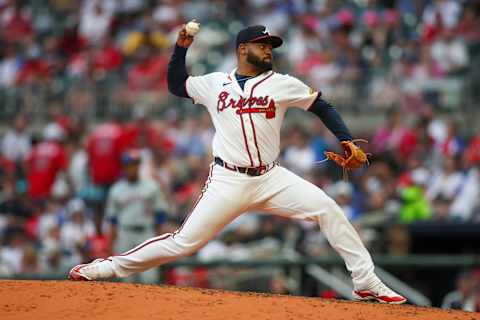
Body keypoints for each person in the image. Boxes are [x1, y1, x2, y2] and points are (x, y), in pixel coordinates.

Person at [68, 24, 406, 304]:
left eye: (271, 45)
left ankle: (365, 280)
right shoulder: (216, 83)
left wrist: (345, 138)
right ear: (242, 49)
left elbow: (322, 106)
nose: (269, 50)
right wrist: (181, 48)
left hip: (271, 177)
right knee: (183, 242)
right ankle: (107, 268)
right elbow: (175, 85)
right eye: (263, 44)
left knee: (327, 208)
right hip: (228, 180)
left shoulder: (281, 83)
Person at [104, 149, 169, 283]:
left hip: (146, 234)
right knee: (127, 280)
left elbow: (160, 215)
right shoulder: (116, 189)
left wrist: (160, 240)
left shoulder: (151, 186)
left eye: (135, 164)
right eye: (129, 164)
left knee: (150, 278)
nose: (132, 168)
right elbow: (112, 220)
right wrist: (110, 245)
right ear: (124, 167)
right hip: (125, 234)